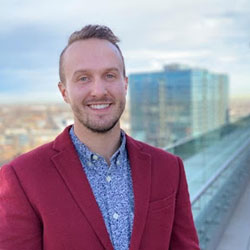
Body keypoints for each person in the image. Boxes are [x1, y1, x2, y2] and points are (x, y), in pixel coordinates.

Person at [0, 25, 200, 250]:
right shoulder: (22, 177)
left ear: (124, 84)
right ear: (64, 92)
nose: (98, 90)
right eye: (83, 78)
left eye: (110, 75)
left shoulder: (169, 168)